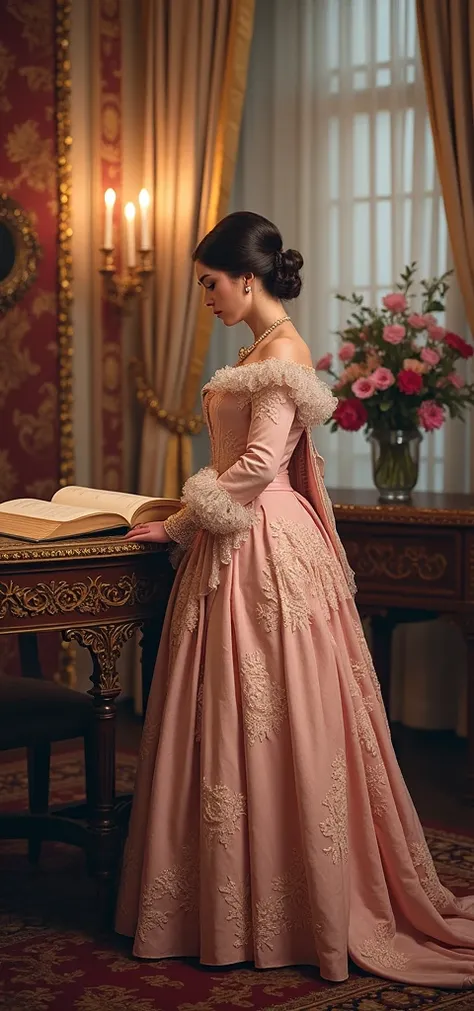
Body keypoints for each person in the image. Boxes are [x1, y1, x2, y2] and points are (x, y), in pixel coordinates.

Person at [115, 210, 474, 987]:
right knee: (231, 720)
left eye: (210, 283)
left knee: (276, 719)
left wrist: (181, 521)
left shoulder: (282, 354)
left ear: (246, 276)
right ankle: (223, 896)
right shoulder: (258, 349)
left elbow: (253, 465)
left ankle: (284, 902)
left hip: (263, 546)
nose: (205, 296)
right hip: (242, 537)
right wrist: (176, 518)